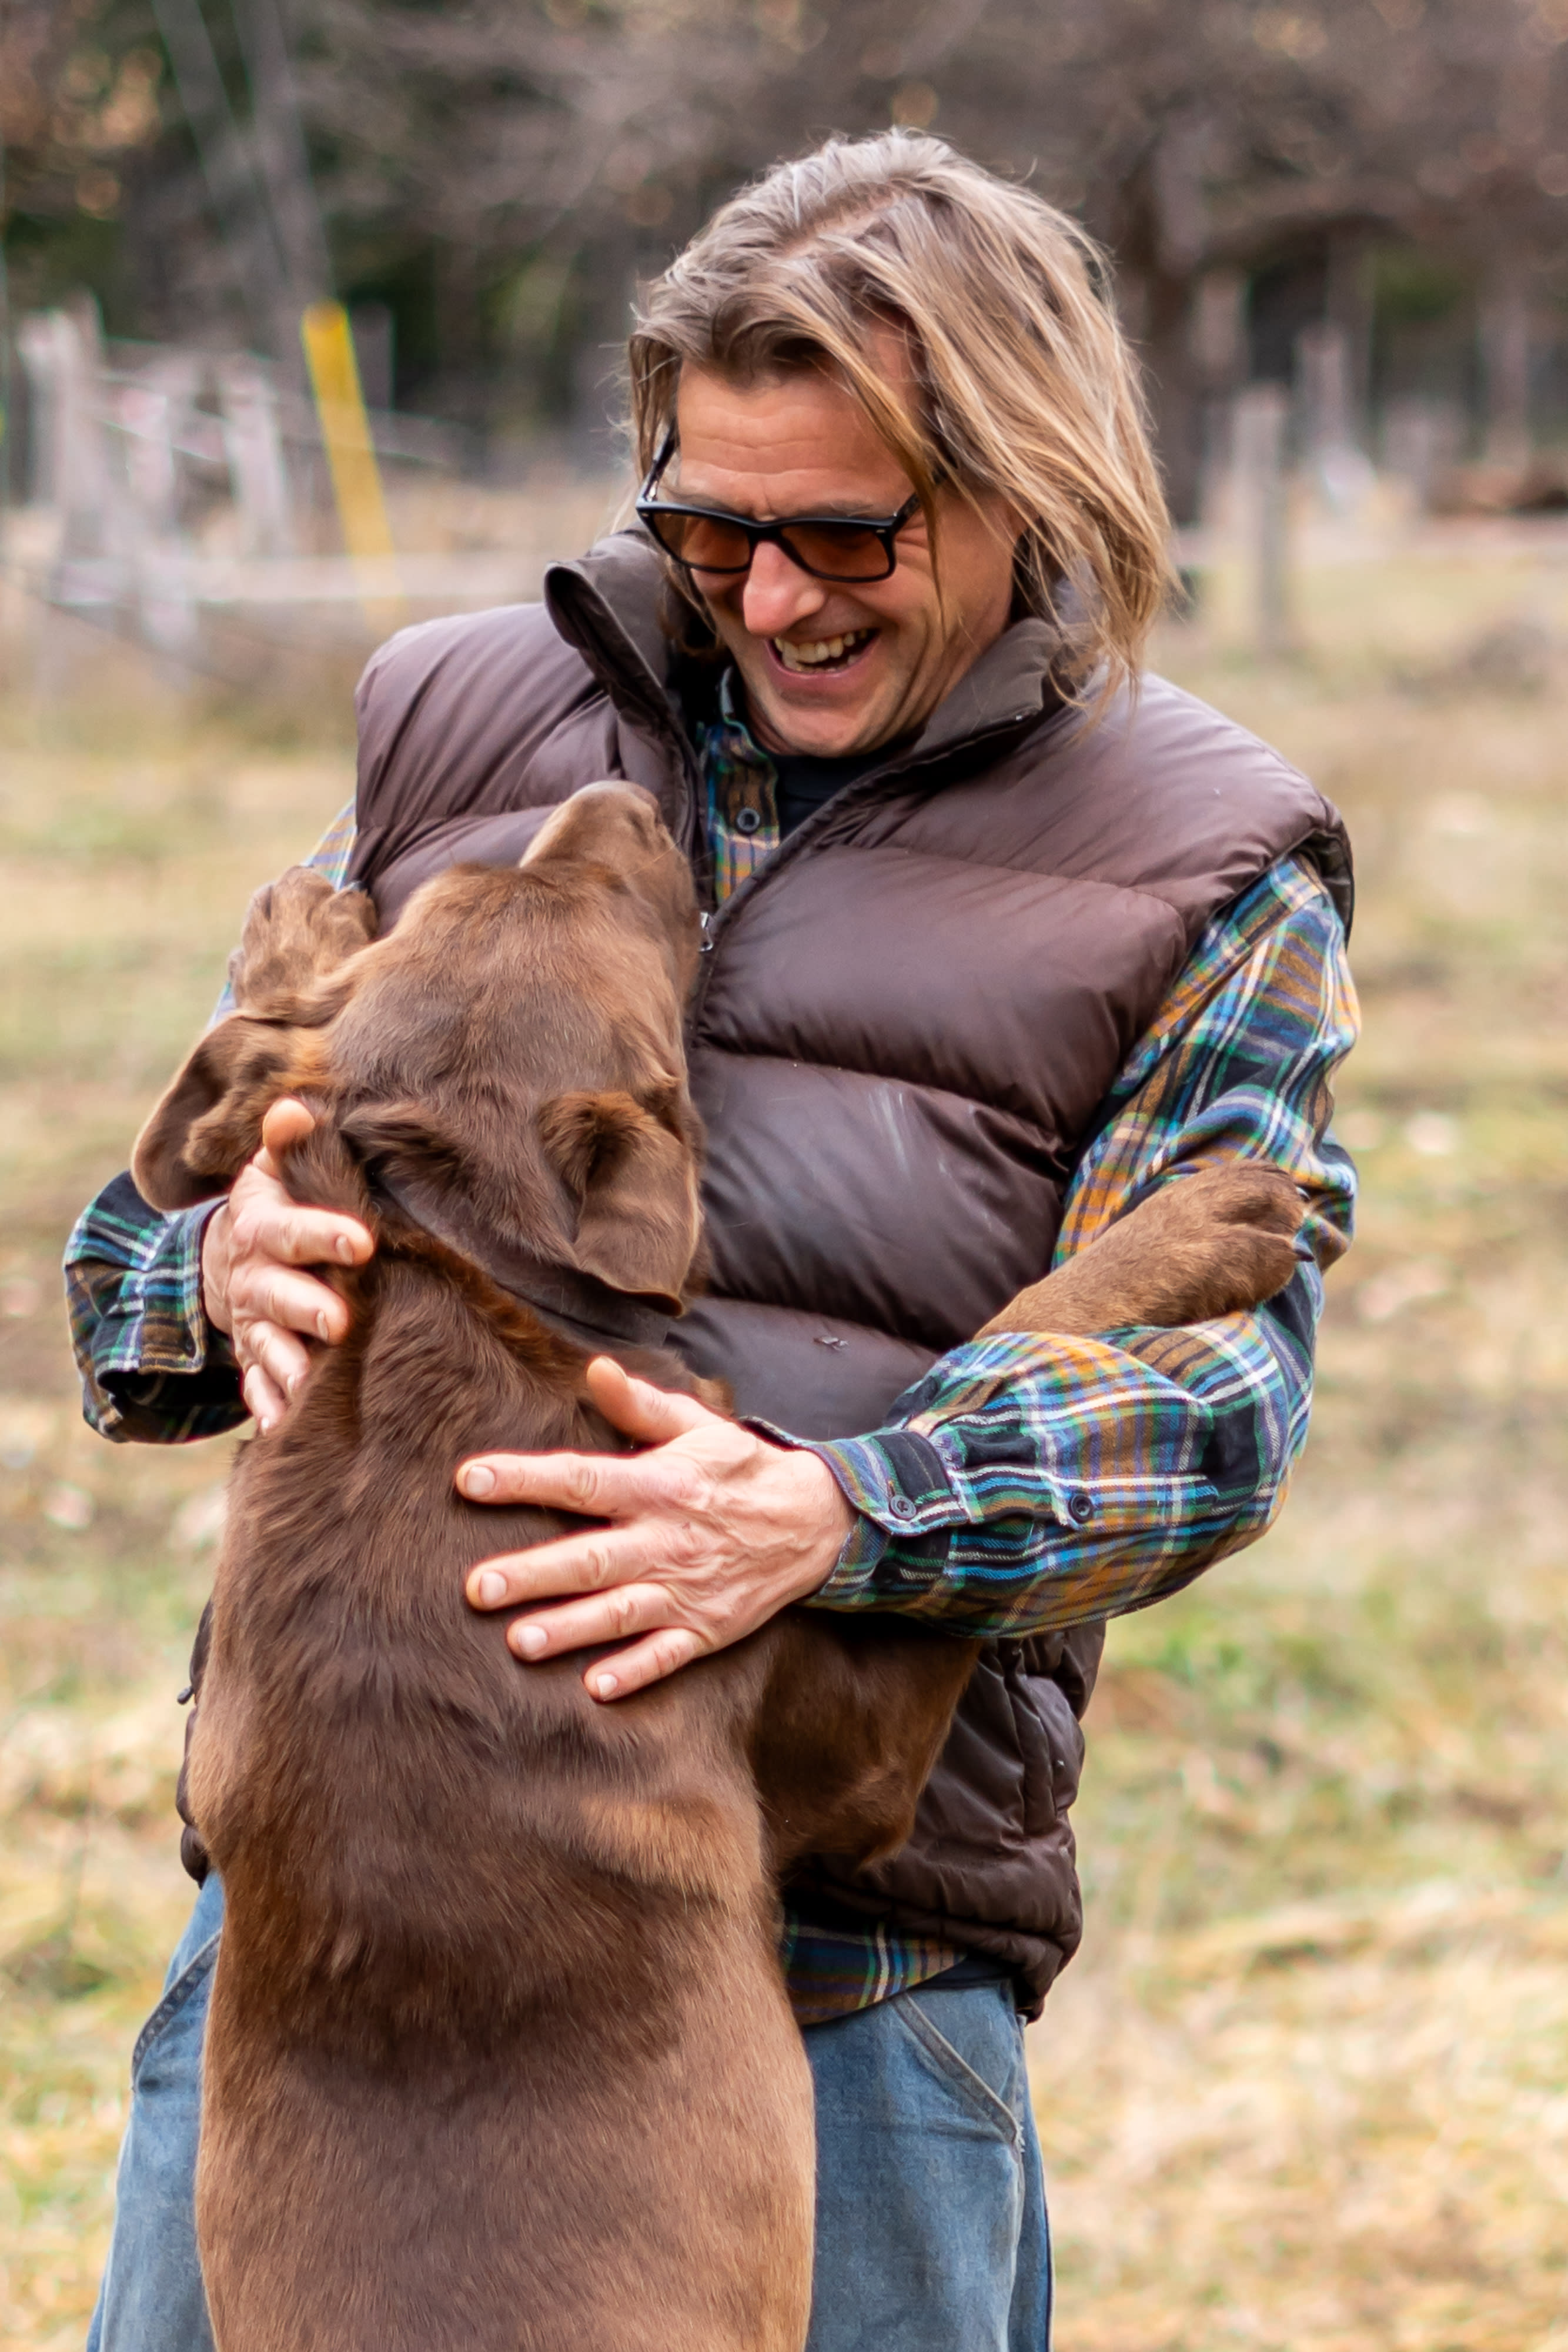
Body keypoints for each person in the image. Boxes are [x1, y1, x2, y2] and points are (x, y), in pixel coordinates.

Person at [68, 132, 1357, 2352]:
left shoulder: (1208, 863)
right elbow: (134, 1255)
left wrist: (840, 1513)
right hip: (328, 1986)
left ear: (1028, 484)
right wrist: (207, 1273)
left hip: (842, 1994)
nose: (771, 597)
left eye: (848, 531)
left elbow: (1225, 1416)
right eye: (710, 524)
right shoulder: (463, 722)